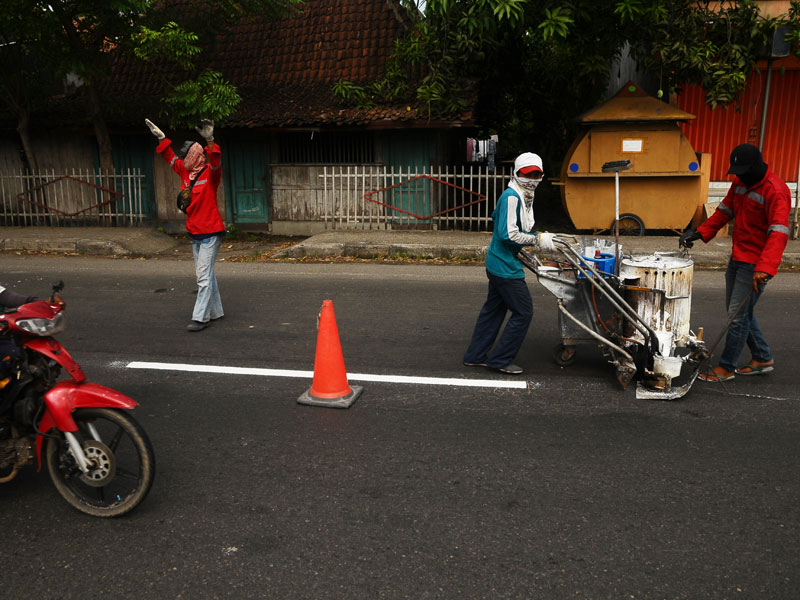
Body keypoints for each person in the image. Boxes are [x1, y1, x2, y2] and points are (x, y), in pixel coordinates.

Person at [679, 143, 791, 382]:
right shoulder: (740, 183)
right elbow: (724, 211)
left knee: (737, 316)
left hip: (755, 264)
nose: (739, 176)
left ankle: (727, 367)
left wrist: (765, 267)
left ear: (756, 166)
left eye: (743, 170)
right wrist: (699, 232)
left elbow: (779, 233)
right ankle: (762, 357)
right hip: (738, 256)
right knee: (739, 312)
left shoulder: (776, 190)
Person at [463, 152, 555, 375]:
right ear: (516, 173)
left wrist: (530, 243)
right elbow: (508, 234)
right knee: (524, 312)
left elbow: (499, 220)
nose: (531, 179)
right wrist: (537, 239)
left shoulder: (524, 196)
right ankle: (500, 360)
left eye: (536, 175)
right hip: (504, 267)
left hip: (499, 262)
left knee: (493, 311)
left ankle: (475, 355)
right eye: (527, 174)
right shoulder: (512, 197)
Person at [146, 118, 225, 332]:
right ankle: (216, 311)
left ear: (196, 156)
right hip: (195, 233)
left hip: (210, 233)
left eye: (186, 156)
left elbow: (216, 161)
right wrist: (162, 139)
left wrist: (210, 140)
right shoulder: (186, 174)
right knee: (206, 274)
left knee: (202, 277)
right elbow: (171, 159)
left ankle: (201, 318)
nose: (182, 159)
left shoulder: (210, 174)